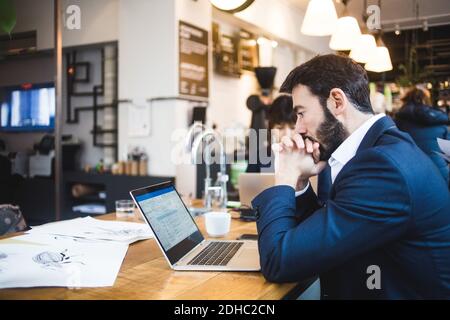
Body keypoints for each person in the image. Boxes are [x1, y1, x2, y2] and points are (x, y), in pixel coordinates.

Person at [251, 54, 450, 299]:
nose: (299, 128)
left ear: (336, 101)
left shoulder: (382, 168)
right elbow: (322, 236)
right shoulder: (377, 150)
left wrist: (285, 176)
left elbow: (278, 262)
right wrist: (301, 184)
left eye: (301, 113)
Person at [395, 88, 449, 186]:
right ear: (426, 99)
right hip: (439, 170)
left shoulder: (398, 120)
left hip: (409, 172)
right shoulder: (438, 118)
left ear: (406, 100)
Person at [246, 94, 296, 173]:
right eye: (280, 128)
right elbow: (246, 183)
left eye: (293, 128)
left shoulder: (308, 157)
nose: (287, 135)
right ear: (271, 129)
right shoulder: (257, 158)